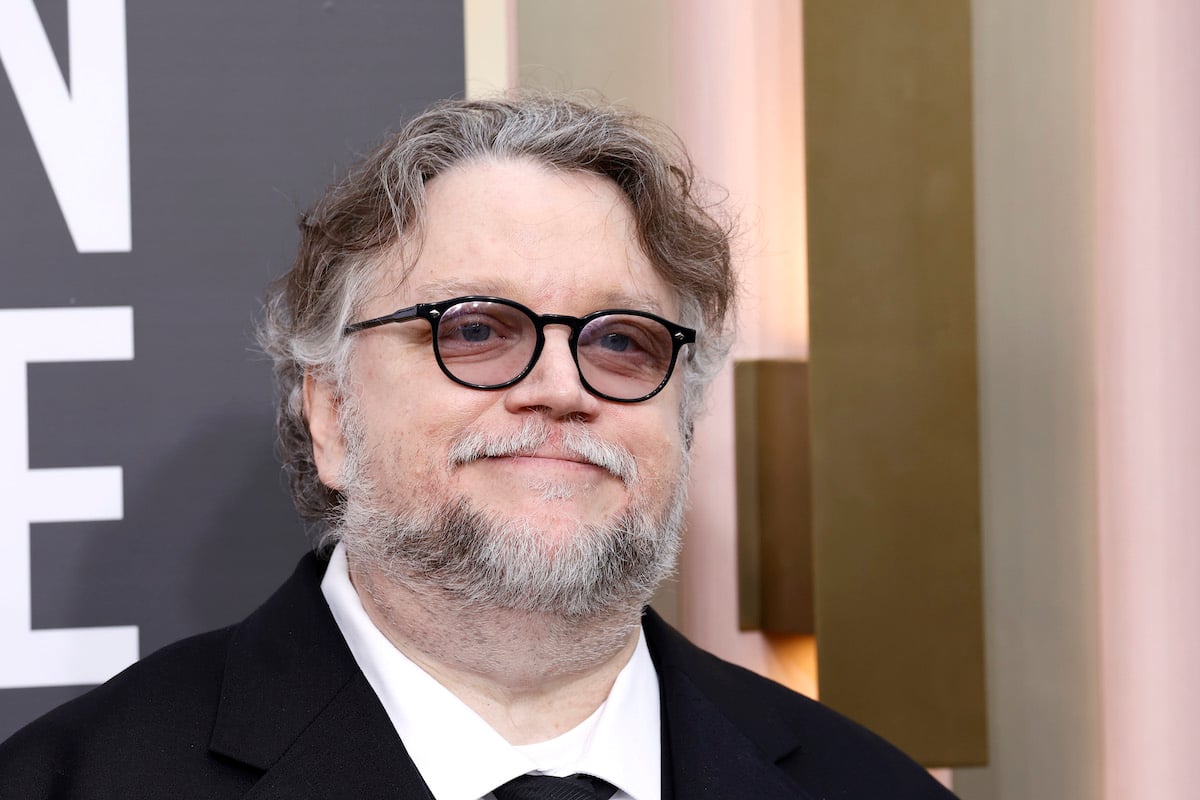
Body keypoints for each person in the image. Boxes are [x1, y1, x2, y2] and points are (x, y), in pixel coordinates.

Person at [0, 93, 956, 799]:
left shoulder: (870, 786)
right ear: (331, 413)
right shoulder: (77, 780)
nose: (561, 386)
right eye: (475, 330)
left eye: (622, 341)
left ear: (687, 418)